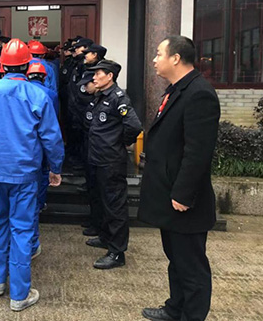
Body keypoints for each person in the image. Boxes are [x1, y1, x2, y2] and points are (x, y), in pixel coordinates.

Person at [0, 38, 64, 311]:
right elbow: (51, 138)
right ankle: (19, 295)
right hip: (25, 173)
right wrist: (55, 168)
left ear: (2, 65)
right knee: (22, 229)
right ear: (27, 65)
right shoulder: (38, 94)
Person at [138, 36, 220, 321]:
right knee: (176, 259)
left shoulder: (199, 94)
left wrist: (183, 194)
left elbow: (198, 152)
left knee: (191, 266)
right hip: (168, 193)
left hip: (184, 200)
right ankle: (175, 309)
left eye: (159, 54)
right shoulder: (176, 90)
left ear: (175, 58)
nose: (154, 60)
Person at [84, 60, 142, 270]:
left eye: (98, 73)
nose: (94, 77)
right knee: (103, 201)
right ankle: (106, 237)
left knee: (115, 205)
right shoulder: (100, 96)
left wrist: (121, 142)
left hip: (110, 160)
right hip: (97, 158)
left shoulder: (119, 98)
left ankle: (117, 252)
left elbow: (134, 126)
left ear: (110, 76)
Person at [26, 62, 59, 259]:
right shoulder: (50, 94)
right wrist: (57, 164)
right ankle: (40, 204)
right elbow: (53, 122)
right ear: (44, 77)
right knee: (43, 173)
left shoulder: (20, 91)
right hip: (42, 140)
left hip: (23, 146)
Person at [76, 71, 103, 237]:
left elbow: (130, 128)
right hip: (90, 148)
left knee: (101, 191)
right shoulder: (93, 99)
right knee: (93, 188)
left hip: (102, 152)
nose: (85, 87)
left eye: (88, 84)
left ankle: (101, 226)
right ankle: (95, 221)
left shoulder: (111, 99)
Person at [65, 37, 94, 173]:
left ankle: (82, 165)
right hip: (74, 107)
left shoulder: (88, 67)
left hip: (83, 109)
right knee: (76, 137)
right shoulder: (77, 64)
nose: (75, 50)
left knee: (83, 140)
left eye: (79, 48)